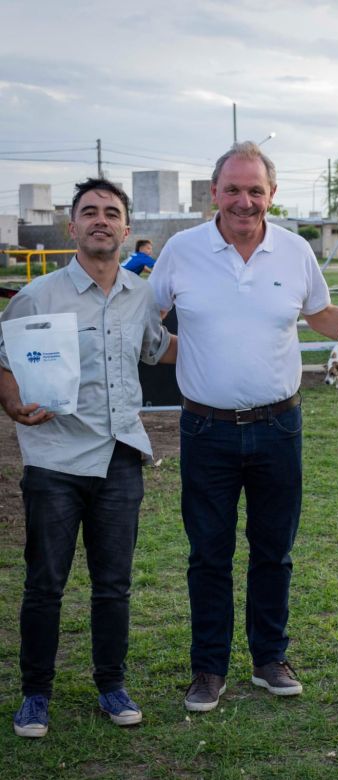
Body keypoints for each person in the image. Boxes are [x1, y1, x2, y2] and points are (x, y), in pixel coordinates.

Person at [149, 141, 338, 712]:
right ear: (213, 193)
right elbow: (143, 322)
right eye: (232, 189)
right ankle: (209, 668)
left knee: (274, 552)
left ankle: (269, 658)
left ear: (272, 195)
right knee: (207, 554)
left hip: (278, 427)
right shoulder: (182, 251)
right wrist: (188, 356)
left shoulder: (294, 251)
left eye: (255, 190)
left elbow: (322, 315)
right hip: (205, 430)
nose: (244, 201)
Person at [0, 178, 177, 738]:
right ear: (71, 227)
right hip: (55, 459)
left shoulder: (142, 296)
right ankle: (35, 694)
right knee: (45, 583)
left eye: (111, 213)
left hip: (121, 456)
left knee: (114, 584)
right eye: (89, 212)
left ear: (127, 230)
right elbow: (6, 366)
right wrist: (14, 405)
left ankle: (111, 684)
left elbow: (157, 349)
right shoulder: (38, 297)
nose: (101, 220)